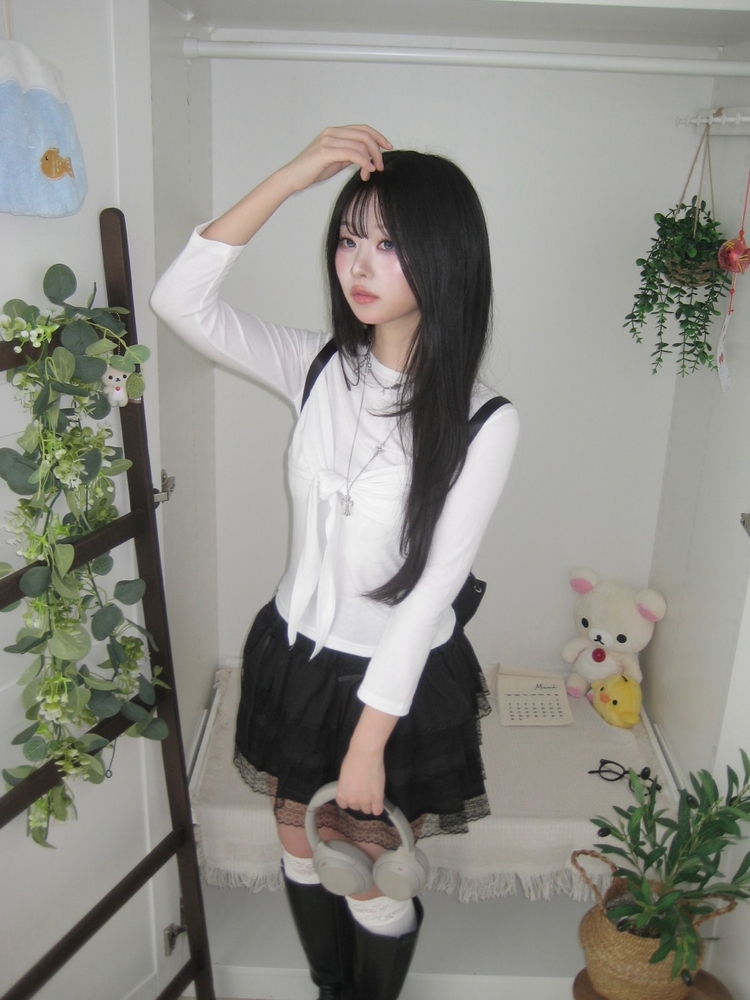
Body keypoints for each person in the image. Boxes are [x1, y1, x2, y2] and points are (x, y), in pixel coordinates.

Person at [150, 125, 519, 1000]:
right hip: (295, 654)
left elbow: (431, 594)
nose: (360, 262)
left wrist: (368, 743)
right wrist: (290, 178)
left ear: (444, 255)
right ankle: (330, 991)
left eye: (388, 244)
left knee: (372, 872)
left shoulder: (485, 420)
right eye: (350, 237)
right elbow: (177, 300)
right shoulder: (316, 366)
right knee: (300, 842)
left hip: (392, 679)